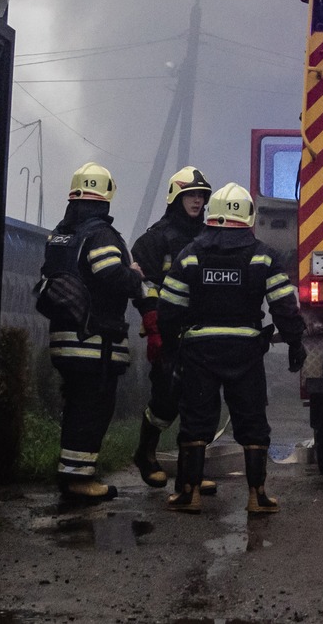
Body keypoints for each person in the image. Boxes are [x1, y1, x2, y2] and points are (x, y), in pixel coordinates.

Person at [157, 183, 305, 515]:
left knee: (195, 420)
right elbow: (284, 307)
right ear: (249, 216)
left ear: (213, 214)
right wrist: (295, 343)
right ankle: (258, 496)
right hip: (246, 352)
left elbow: (168, 307)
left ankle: (189, 493)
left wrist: (170, 348)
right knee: (252, 421)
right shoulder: (263, 255)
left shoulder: (191, 253)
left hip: (199, 352)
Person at [40, 162, 143, 505]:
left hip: (64, 338)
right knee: (93, 407)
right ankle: (80, 480)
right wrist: (134, 275)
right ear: (107, 197)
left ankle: (71, 473)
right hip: (94, 341)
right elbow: (109, 273)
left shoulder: (60, 234)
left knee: (77, 406)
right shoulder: (100, 234)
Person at [129, 166, 213, 492]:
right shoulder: (154, 239)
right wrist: (153, 325)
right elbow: (143, 283)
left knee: (201, 400)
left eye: (201, 195)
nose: (197, 200)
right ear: (176, 197)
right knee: (166, 398)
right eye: (190, 194)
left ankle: (190, 472)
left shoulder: (209, 238)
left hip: (202, 332)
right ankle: (145, 452)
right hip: (167, 331)